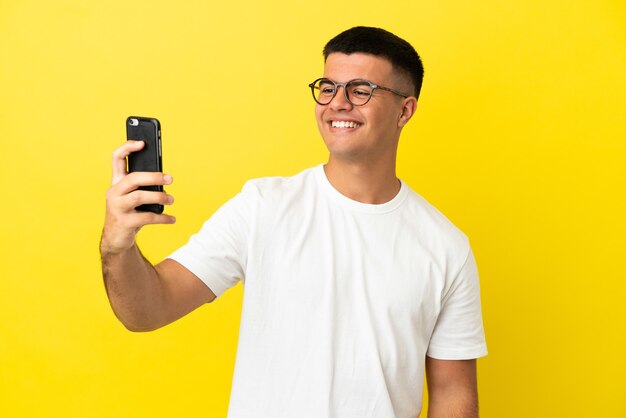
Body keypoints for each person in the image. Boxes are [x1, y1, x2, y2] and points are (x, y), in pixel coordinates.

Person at [100, 26, 487, 418]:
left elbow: (453, 394)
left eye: (360, 90)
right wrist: (117, 247)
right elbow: (147, 311)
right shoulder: (262, 207)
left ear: (405, 110)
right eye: (328, 87)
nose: (338, 103)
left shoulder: (446, 247)